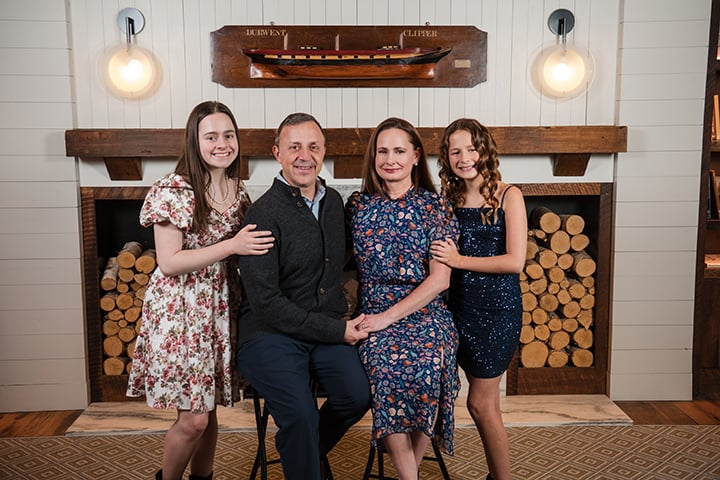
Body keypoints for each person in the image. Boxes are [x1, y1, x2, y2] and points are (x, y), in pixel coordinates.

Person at [126, 101, 275, 480]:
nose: (221, 144)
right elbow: (169, 261)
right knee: (193, 419)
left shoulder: (238, 192)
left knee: (207, 413)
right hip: (181, 311)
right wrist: (231, 247)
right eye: (211, 136)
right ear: (195, 141)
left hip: (219, 309)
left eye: (228, 135)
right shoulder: (174, 189)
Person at [235, 112, 371, 480]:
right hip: (268, 335)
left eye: (313, 147)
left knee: (357, 395)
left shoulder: (333, 206)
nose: (304, 155)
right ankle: (302, 453)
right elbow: (267, 304)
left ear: (324, 151)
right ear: (277, 153)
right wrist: (338, 331)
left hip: (321, 330)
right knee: (300, 413)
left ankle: (300, 449)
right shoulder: (263, 214)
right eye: (294, 147)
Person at [345, 117, 460, 480]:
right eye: (382, 151)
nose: (389, 159)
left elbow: (440, 280)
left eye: (399, 150)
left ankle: (407, 473)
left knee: (428, 365)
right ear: (373, 157)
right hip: (373, 310)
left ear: (415, 156)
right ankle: (410, 475)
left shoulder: (434, 207)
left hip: (426, 311)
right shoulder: (358, 206)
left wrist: (387, 319)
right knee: (388, 369)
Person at [430, 118, 527, 480]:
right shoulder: (448, 200)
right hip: (454, 309)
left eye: (471, 148)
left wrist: (459, 261)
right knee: (442, 393)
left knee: (480, 403)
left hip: (495, 312)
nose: (464, 157)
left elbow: (515, 261)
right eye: (455, 151)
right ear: (447, 158)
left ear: (484, 150)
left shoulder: (508, 195)